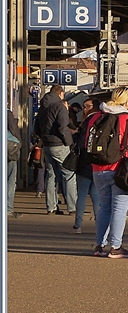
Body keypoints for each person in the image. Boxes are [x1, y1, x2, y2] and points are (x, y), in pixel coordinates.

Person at [81, 87, 128, 258]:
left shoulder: (95, 117)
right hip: (122, 170)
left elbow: (86, 143)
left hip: (98, 169)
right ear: (127, 102)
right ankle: (116, 247)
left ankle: (99, 246)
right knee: (119, 209)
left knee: (104, 207)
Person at [34, 85, 77, 217]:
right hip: (60, 144)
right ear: (61, 94)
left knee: (51, 175)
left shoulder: (42, 108)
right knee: (68, 174)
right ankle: (72, 207)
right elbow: (63, 127)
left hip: (47, 145)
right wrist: (69, 143)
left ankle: (50, 207)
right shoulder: (59, 107)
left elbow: (37, 128)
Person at [71, 97, 96, 233]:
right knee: (96, 196)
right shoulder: (103, 120)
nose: (85, 109)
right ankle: (100, 225)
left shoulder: (87, 122)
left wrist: (75, 135)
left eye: (88, 106)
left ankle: (77, 225)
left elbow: (82, 143)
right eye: (84, 106)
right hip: (98, 163)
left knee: (81, 194)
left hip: (85, 161)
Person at [7, 108, 20, 218]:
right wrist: (19, 143)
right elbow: (13, 129)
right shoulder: (7, 113)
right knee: (11, 179)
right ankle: (8, 208)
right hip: (9, 149)